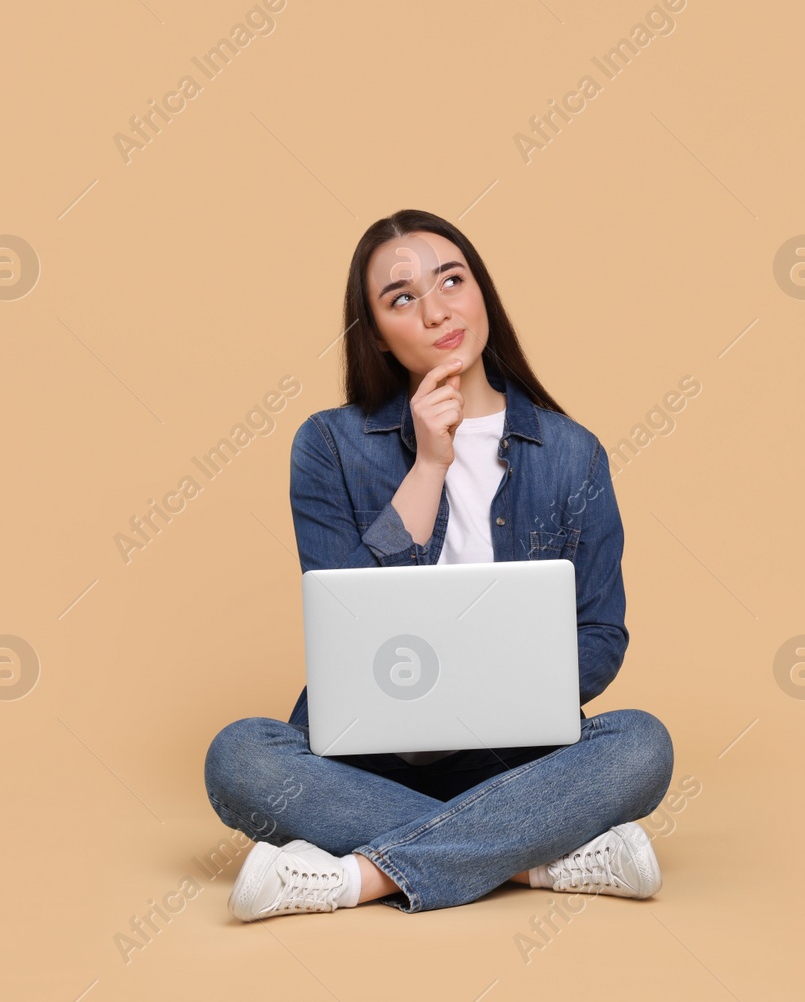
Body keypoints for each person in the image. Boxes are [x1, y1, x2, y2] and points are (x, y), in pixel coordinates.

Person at [203, 209, 675, 918]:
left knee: (642, 744)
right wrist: (429, 462)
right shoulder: (329, 444)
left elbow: (601, 636)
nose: (435, 309)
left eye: (451, 279)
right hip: (365, 758)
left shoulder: (573, 453)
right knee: (238, 758)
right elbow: (349, 629)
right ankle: (535, 859)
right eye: (401, 298)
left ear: (481, 290)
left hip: (518, 756)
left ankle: (355, 876)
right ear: (378, 335)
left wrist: (492, 691)